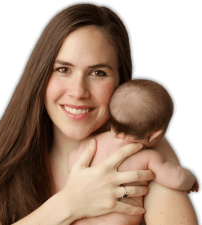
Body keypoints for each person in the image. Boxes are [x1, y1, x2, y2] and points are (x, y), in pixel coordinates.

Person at [0, 3, 199, 225]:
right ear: (39, 78)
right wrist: (70, 204)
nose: (78, 91)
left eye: (98, 73)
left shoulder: (145, 149)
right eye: (63, 69)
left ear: (121, 82)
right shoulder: (5, 167)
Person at [67, 79, 199, 225]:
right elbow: (176, 179)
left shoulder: (92, 143)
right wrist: (190, 179)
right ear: (154, 135)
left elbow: (73, 166)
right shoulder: (148, 157)